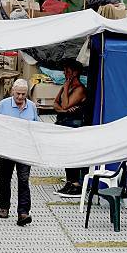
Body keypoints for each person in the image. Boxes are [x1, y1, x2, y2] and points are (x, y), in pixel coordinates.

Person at [0, 79, 38, 226]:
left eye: (23, 94)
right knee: (5, 179)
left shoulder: (31, 107)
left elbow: (36, 126)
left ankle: (23, 212)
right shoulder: (3, 105)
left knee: (24, 180)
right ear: (12, 91)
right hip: (7, 149)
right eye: (18, 94)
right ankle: (4, 207)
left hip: (25, 150)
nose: (20, 97)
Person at [54, 59, 88, 198]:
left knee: (72, 153)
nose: (64, 73)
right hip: (64, 123)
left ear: (75, 73)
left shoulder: (79, 89)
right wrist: (63, 110)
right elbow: (56, 103)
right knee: (65, 154)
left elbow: (66, 104)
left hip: (74, 125)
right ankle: (69, 181)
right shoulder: (64, 87)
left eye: (67, 71)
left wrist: (66, 87)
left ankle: (75, 184)